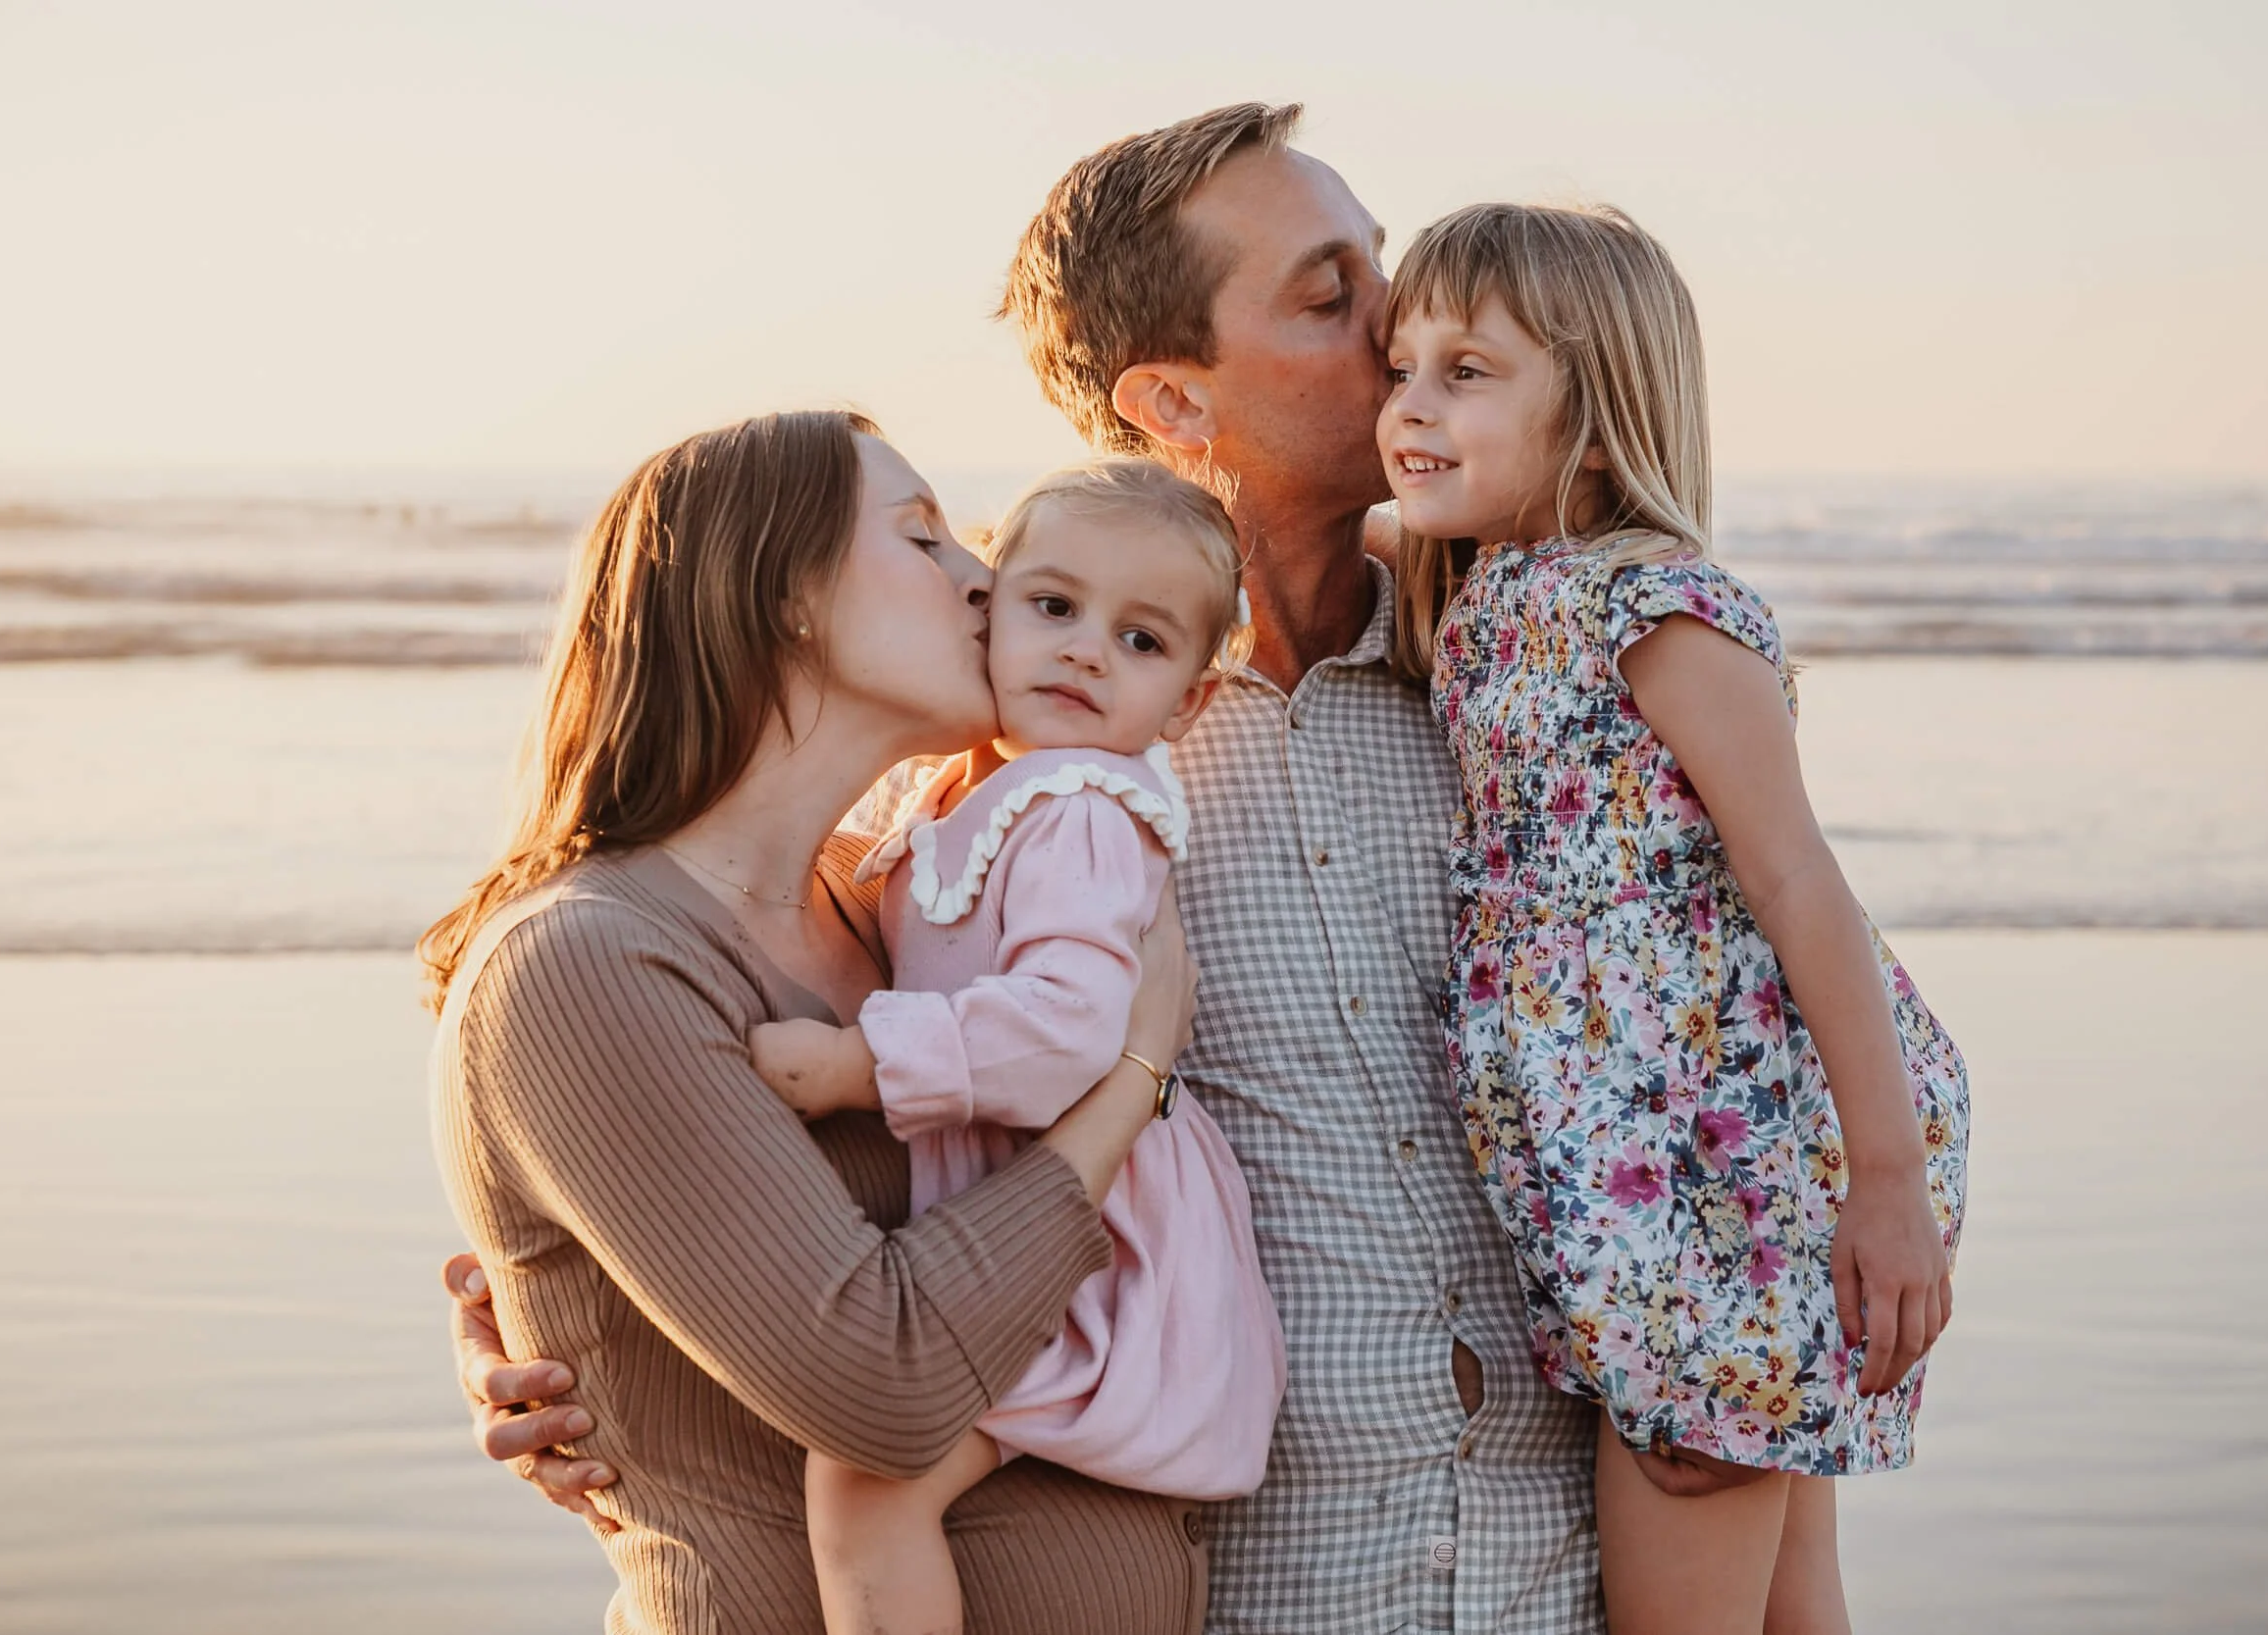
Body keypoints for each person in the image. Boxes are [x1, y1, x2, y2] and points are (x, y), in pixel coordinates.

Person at [455, 104, 1612, 1631]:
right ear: (1172, 399)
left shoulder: (1527, 673)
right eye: (1333, 295)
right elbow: (654, 1084)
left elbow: (1714, 1014)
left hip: (1553, 1550)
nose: (1403, 323)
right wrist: (559, 1320)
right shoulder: (990, 764)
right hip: (1265, 1574)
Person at [426, 410, 1215, 1633]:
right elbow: (881, 1387)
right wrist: (1131, 1078)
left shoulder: (888, 894)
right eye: (923, 536)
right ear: (785, 595)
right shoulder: (584, 959)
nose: (983, 579)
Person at [1381, 201, 1971, 1633]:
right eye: (1398, 369)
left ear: (1594, 421)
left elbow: (1799, 881)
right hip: (1637, 1156)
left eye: (1467, 371)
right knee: (1789, 1596)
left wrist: (1886, 1178)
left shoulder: (1657, 610)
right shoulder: (1486, 587)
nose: (1409, 406)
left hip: (1734, 1166)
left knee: (1692, 1522)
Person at [746, 460, 1287, 1635]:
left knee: (867, 1477)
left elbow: (1067, 1026)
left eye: (1140, 641)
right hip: (1016, 1202)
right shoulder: (959, 789)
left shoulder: (1081, 809)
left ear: (1187, 702)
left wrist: (855, 1066)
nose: (1087, 651)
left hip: (1095, 1238)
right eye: (1053, 607)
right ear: (988, 610)